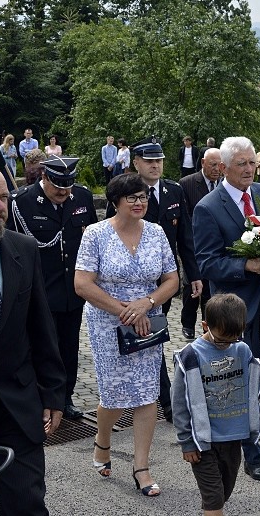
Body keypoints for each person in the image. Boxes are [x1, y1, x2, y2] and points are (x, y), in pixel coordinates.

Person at [74, 172, 180, 497]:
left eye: (144, 197)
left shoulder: (157, 233)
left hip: (148, 321)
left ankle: (142, 467)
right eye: (133, 197)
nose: (140, 202)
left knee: (147, 392)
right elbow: (82, 284)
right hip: (108, 322)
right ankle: (102, 440)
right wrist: (125, 310)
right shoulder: (95, 234)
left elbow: (172, 280)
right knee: (114, 394)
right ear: (116, 201)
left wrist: (145, 305)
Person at [193, 136, 260, 482]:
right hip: (234, 309)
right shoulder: (208, 208)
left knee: (258, 376)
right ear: (223, 167)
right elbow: (207, 263)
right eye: (241, 163)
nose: (249, 168)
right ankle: (253, 454)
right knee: (242, 382)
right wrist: (248, 267)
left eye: (252, 162)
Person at [0, 162, 66, 516]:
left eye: (3, 196)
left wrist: (52, 392)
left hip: (16, 407)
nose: (0, 206)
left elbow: (41, 327)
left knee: (27, 508)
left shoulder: (23, 248)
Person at [106, 138, 202, 422]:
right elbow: (113, 234)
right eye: (149, 161)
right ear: (136, 163)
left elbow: (185, 236)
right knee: (149, 338)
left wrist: (193, 274)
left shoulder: (174, 190)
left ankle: (152, 393)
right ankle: (166, 398)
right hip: (130, 282)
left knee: (153, 337)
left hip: (163, 280)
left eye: (159, 160)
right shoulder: (125, 192)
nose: (155, 165)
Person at [7, 155, 98, 421]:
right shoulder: (20, 202)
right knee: (41, 348)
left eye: (68, 185)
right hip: (40, 291)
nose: (63, 191)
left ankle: (64, 399)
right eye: (58, 184)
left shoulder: (81, 197)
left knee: (69, 349)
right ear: (44, 177)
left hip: (72, 292)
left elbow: (90, 240)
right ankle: (36, 400)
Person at [172, 293, 260, 516]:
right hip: (204, 442)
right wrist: (187, 442)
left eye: (233, 339)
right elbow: (179, 403)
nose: (226, 345)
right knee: (214, 499)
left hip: (233, 438)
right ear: (205, 325)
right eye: (221, 339)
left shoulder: (242, 350)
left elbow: (256, 382)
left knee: (224, 492)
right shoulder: (191, 356)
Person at [179, 147, 222, 339]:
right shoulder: (187, 184)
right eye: (212, 165)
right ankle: (187, 324)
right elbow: (185, 218)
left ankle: (209, 326)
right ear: (203, 162)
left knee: (210, 291)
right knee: (192, 288)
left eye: (220, 165)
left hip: (217, 246)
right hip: (194, 246)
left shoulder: (224, 184)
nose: (216, 169)